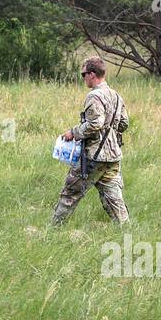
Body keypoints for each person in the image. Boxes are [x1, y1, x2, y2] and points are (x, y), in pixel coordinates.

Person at [51, 56, 130, 226]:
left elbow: (95, 123)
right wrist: (109, 133)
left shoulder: (94, 96)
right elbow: (124, 124)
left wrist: (74, 132)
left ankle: (52, 231)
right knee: (115, 201)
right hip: (113, 157)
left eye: (83, 74)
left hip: (94, 157)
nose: (83, 78)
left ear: (92, 74)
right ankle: (127, 234)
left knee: (70, 193)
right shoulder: (116, 96)